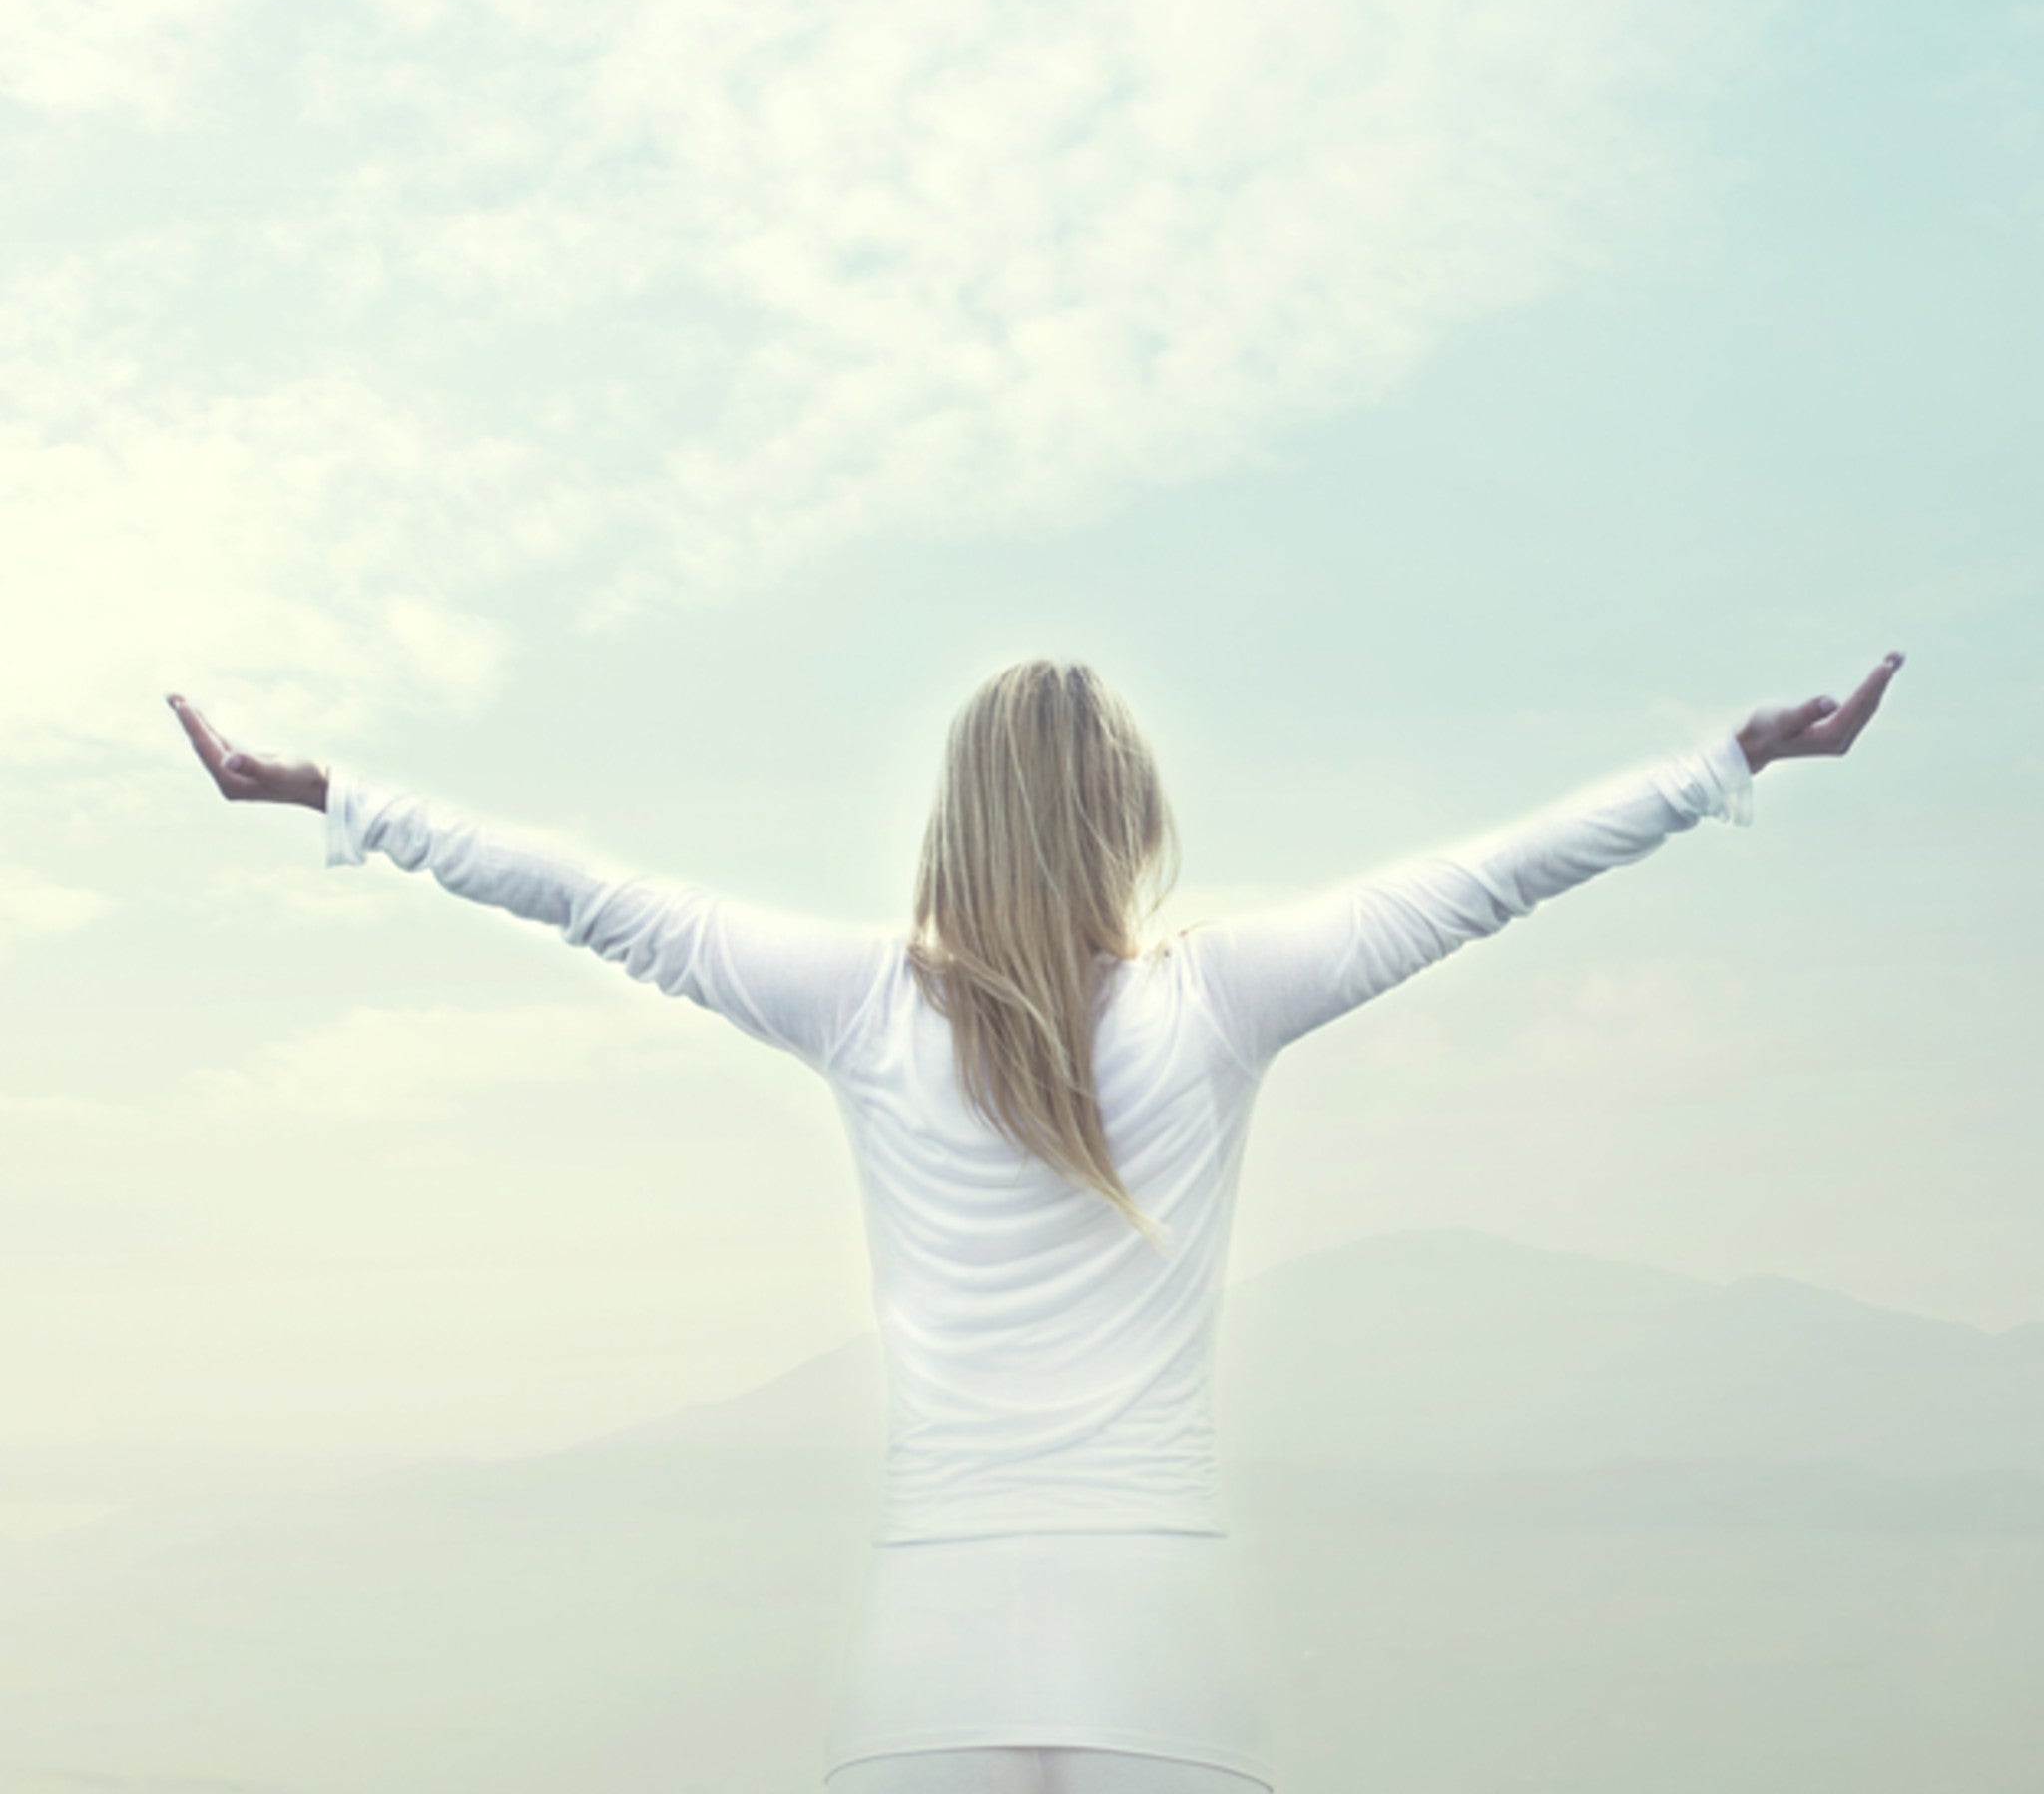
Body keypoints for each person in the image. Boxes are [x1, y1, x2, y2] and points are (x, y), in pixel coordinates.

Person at [166, 650, 1905, 1792]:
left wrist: (343, 801)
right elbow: (1482, 883)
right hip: (1159, 1630)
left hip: (928, 1642)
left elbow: (593, 899)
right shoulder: (1218, 1001)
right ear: (1130, 814)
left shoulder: (857, 1004)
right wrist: (1720, 765)